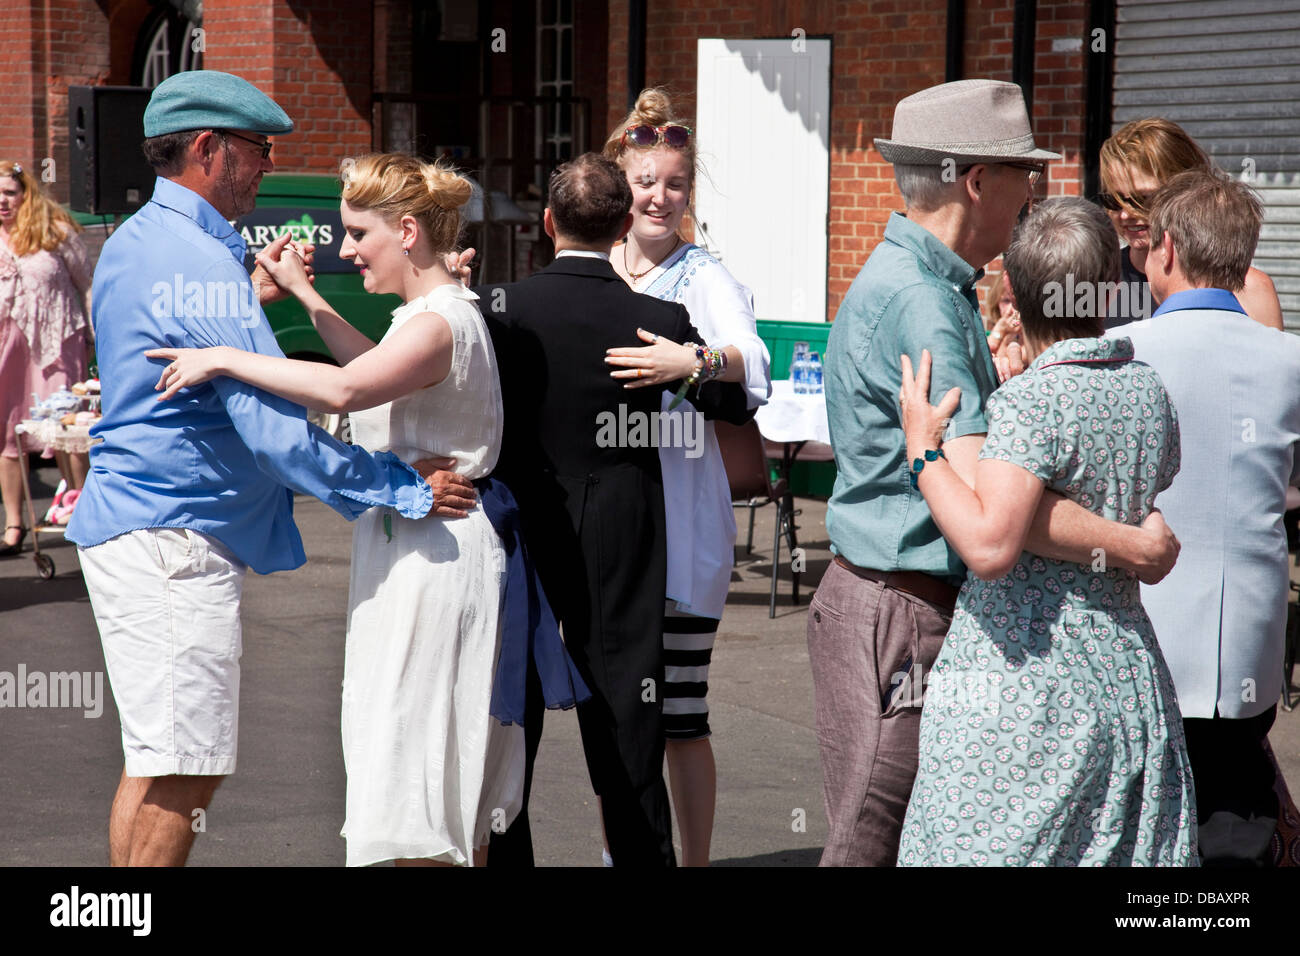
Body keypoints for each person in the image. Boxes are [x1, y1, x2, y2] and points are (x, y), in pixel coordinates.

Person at [65, 71, 470, 867]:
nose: (267, 166)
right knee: (182, 772)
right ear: (210, 149)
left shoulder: (141, 242)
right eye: (259, 150)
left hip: (144, 526)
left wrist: (246, 300)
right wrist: (400, 485)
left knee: (158, 762)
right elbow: (277, 438)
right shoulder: (199, 260)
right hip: (173, 539)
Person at [148, 150, 594, 867]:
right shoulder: (428, 316)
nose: (347, 249)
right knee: (418, 761)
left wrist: (222, 357)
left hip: (438, 554)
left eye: (358, 233)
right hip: (420, 544)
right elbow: (368, 370)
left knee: (421, 769)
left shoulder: (439, 321)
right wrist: (305, 296)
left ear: (408, 231)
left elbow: (347, 391)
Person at [813, 78, 1181, 867]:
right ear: (977, 181)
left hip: (886, 603)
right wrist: (1130, 545)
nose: (1031, 197)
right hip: (902, 608)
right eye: (1025, 176)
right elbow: (994, 513)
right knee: (871, 845)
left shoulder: (919, 284)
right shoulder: (928, 304)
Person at [896, 197, 1195, 865]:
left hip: (1025, 685)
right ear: (1109, 285)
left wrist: (923, 450)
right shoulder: (1147, 386)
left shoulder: (1031, 400)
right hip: (1127, 669)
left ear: (1010, 290)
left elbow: (990, 544)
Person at [480, 153, 753, 868]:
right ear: (624, 220)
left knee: (516, 715)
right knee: (630, 722)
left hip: (526, 525)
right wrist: (694, 364)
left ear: (547, 223)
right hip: (623, 527)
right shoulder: (655, 316)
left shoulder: (502, 307)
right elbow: (734, 401)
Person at [598, 87, 771, 866]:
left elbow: (750, 359)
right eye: (645, 182)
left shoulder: (703, 277)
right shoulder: (596, 270)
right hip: (608, 527)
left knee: (679, 714)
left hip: (682, 530)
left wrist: (693, 359)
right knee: (617, 718)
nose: (660, 197)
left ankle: (692, 864)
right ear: (617, 185)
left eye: (674, 183)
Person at [1110, 168, 1300, 865]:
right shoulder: (1289, 360)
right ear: (1243, 260)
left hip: (1140, 634)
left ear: (1165, 250)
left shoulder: (1121, 353)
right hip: (1244, 645)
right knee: (1235, 818)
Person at [1099, 117, 1283, 330]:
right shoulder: (1094, 284)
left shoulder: (1249, 289)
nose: (1125, 214)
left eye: (1144, 199)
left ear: (1188, 190)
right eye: (1114, 200)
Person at [0, 160, 94, 554]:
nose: (2, 201)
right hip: (8, 346)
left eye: (9, 192)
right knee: (8, 434)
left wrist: (95, 335)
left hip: (58, 342)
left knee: (66, 430)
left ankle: (85, 511)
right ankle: (14, 525)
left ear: (26, 194)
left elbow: (87, 285)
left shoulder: (56, 231)